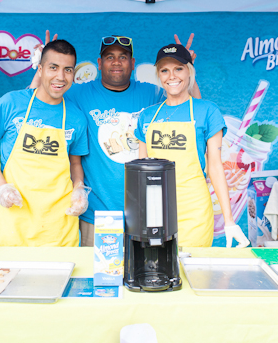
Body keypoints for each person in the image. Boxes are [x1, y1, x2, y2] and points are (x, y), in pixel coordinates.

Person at [30, 32, 200, 246]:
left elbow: (192, 110)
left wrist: (188, 68)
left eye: (123, 56)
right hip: (97, 214)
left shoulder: (152, 93)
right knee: (99, 277)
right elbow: (38, 103)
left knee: (144, 276)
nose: (117, 62)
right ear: (100, 63)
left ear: (132, 62)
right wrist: (43, 63)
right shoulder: (79, 93)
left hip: (146, 211)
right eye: (110, 57)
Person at [135, 44, 249, 248]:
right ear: (158, 76)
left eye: (178, 68)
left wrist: (229, 220)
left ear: (189, 71)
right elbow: (141, 170)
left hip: (194, 209)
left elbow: (215, 167)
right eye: (164, 70)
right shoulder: (147, 116)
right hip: (155, 211)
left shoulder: (207, 111)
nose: (172, 76)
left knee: (194, 274)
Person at [0, 40, 89, 247]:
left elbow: (75, 163)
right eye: (53, 68)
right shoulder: (11, 103)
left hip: (59, 225)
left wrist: (79, 189)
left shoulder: (76, 117)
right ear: (40, 69)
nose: (60, 77)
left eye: (68, 70)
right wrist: (1, 187)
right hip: (15, 219)